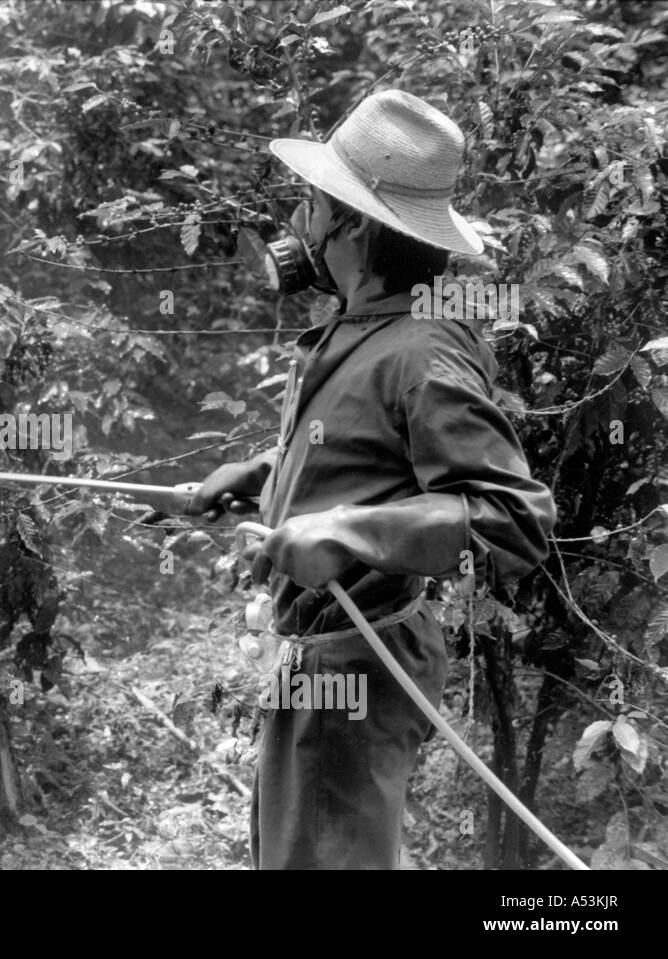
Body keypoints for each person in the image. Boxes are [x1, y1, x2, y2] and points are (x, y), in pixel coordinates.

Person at [186, 90, 557, 869]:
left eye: (312, 204)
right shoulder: (360, 331)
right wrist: (258, 476)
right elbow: (359, 454)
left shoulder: (422, 352)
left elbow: (514, 518)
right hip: (317, 654)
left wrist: (343, 531)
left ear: (350, 224)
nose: (301, 222)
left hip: (357, 659)